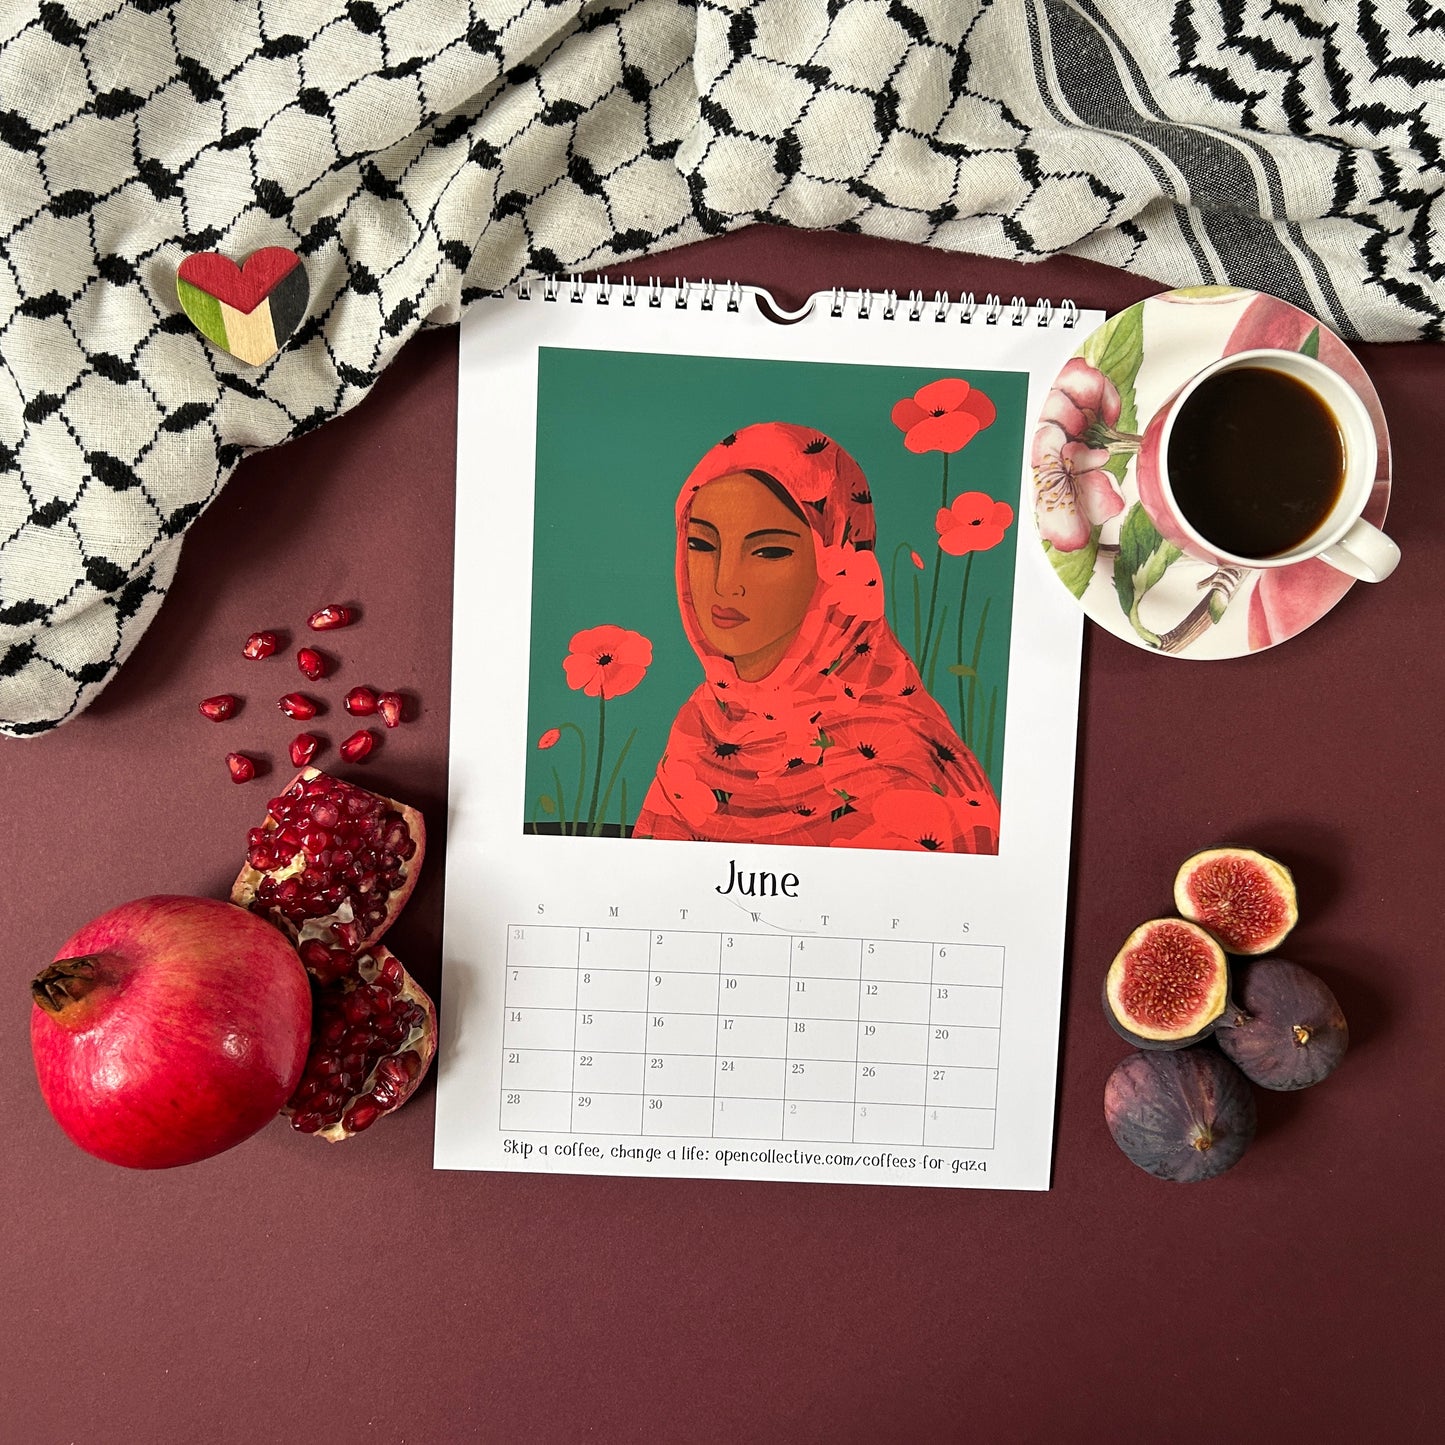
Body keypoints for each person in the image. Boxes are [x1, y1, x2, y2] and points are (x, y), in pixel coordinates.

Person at [632, 422, 1000, 853]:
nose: (724, 583)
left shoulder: (900, 764)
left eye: (769, 551)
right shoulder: (702, 725)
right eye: (701, 544)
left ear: (836, 561)